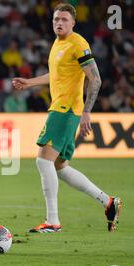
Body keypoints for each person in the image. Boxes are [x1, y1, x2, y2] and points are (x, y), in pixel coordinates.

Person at [12, 3, 122, 233]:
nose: (59, 23)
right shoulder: (58, 44)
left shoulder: (78, 43)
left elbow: (96, 79)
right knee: (60, 167)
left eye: (63, 19)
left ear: (73, 22)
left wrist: (87, 111)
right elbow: (56, 74)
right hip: (62, 108)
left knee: (43, 161)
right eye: (55, 19)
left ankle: (53, 221)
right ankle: (108, 202)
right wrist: (29, 82)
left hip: (65, 109)